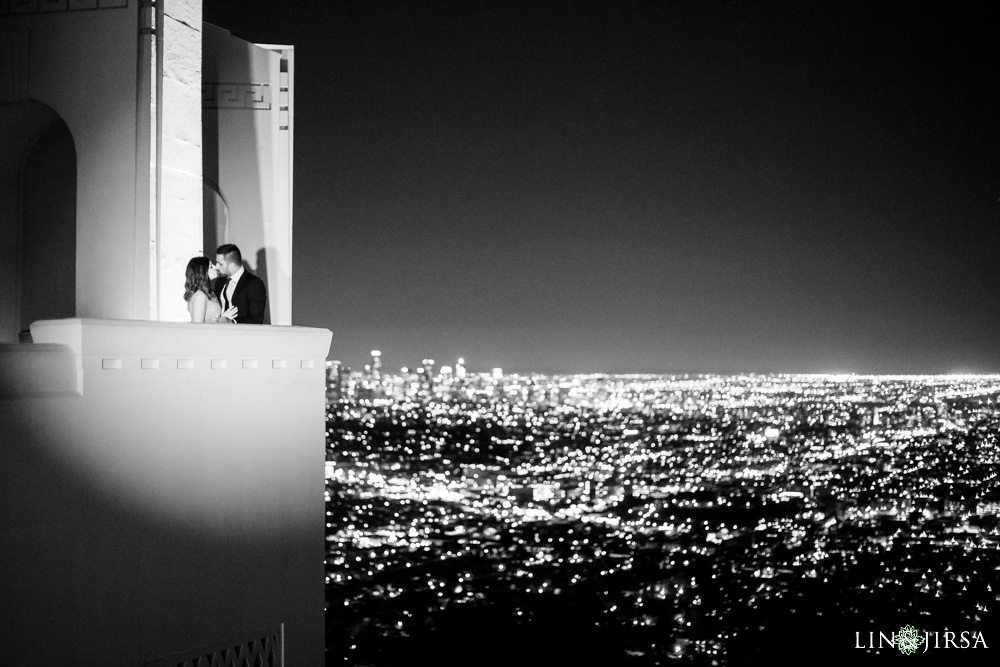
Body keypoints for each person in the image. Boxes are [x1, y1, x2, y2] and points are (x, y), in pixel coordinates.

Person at [213, 243, 267, 324]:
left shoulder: (254, 284)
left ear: (232, 265)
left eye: (220, 264)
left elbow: (257, 319)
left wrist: (232, 322)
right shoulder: (220, 281)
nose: (216, 267)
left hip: (242, 334)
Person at [184, 256, 237, 323]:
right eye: (211, 266)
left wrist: (222, 319)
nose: (215, 267)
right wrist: (222, 320)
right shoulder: (200, 296)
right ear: (203, 272)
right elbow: (198, 328)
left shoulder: (206, 294)